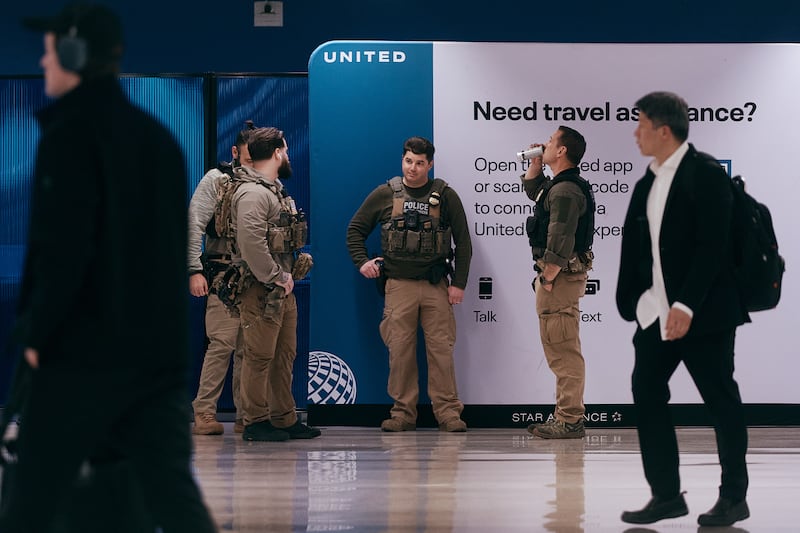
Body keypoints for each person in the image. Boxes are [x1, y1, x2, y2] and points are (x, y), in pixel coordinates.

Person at [0, 3, 218, 532]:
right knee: (173, 496)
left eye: (50, 53)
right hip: (155, 362)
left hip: (80, 357)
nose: (43, 62)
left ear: (75, 55)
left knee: (30, 495)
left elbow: (64, 250)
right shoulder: (160, 141)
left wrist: (38, 336)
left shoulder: (69, 137)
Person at [616, 91, 750, 527]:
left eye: (641, 125)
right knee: (647, 392)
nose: (635, 133)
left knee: (720, 400)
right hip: (655, 315)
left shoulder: (705, 174)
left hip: (704, 313)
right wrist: (636, 302)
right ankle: (667, 495)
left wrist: (686, 304)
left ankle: (734, 497)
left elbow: (713, 247)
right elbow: (637, 249)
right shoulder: (647, 181)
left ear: (664, 130)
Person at [346, 136, 472, 432]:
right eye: (408, 161)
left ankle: (448, 413)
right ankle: (402, 413)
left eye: (419, 163)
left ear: (430, 164)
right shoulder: (386, 193)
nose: (412, 168)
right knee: (400, 351)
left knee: (441, 350)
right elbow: (355, 229)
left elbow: (463, 242)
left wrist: (459, 284)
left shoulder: (445, 195)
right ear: (402, 160)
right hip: (398, 285)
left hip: (435, 285)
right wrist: (362, 261)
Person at [226, 126, 321, 442]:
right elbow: (251, 243)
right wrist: (277, 277)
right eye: (286, 149)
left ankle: (283, 417)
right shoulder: (253, 194)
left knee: (283, 355)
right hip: (261, 290)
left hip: (281, 289)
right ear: (278, 152)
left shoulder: (273, 190)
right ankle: (255, 421)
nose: (288, 155)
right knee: (259, 356)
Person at [521, 126, 595, 439]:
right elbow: (539, 194)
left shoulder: (565, 191)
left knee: (562, 351)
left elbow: (560, 237)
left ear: (562, 151)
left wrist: (547, 276)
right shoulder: (561, 187)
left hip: (558, 280)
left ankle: (569, 419)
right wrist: (535, 168)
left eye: (551, 141)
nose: (545, 143)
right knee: (561, 348)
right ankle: (567, 417)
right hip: (559, 279)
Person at [188, 121, 256, 435]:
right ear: (234, 153)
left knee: (249, 348)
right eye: (247, 158)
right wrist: (194, 270)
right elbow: (194, 224)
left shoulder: (265, 183)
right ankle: (204, 412)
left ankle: (246, 415)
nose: (252, 164)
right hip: (222, 275)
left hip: (255, 278)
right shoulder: (216, 181)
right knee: (222, 343)